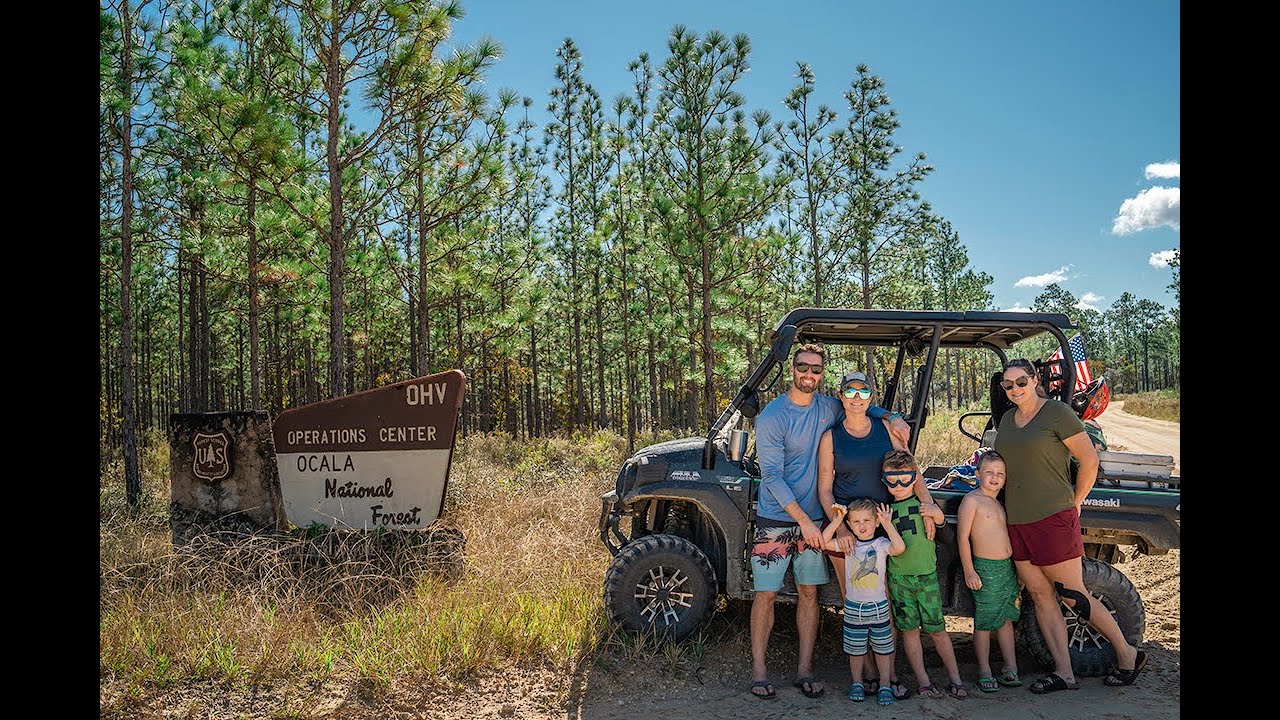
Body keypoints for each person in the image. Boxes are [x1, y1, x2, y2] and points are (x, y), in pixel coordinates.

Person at [749, 343, 910, 701]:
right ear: (792, 369)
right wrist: (805, 521)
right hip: (777, 519)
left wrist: (893, 415)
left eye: (816, 370)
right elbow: (772, 477)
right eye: (803, 367)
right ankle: (760, 673)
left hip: (818, 521)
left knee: (810, 593)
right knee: (766, 593)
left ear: (822, 375)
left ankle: (805, 671)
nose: (809, 375)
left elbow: (860, 404)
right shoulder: (773, 416)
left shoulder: (827, 406)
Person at [993, 358, 1147, 693]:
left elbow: (1089, 460)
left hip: (1053, 517)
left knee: (1073, 595)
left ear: (1035, 380)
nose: (1015, 389)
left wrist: (1076, 501)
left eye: (1021, 382)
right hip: (1018, 519)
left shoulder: (1057, 413)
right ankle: (1064, 673)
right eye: (1008, 385)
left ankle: (1127, 653)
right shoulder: (1007, 419)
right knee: (1040, 595)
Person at [815, 370, 936, 701]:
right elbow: (825, 489)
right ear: (841, 397)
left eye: (863, 391)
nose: (856, 397)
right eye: (849, 392)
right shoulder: (831, 437)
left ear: (871, 396)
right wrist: (840, 527)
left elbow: (910, 469)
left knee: (885, 598)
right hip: (850, 532)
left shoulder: (885, 428)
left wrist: (928, 506)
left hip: (885, 528)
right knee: (852, 597)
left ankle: (889, 674)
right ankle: (866, 674)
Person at [881, 449, 968, 700]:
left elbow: (947, 540)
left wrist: (939, 519)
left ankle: (956, 679)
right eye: (892, 480)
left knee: (938, 630)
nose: (899, 485)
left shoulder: (925, 506)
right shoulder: (884, 512)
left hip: (927, 578)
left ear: (915, 479)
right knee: (909, 632)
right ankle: (924, 681)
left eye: (906, 479)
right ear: (884, 481)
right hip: (899, 580)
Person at [817, 498, 905, 706]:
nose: (862, 526)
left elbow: (899, 547)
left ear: (876, 522)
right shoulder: (849, 545)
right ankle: (857, 682)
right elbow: (823, 541)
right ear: (850, 524)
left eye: (867, 520)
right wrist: (838, 521)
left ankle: (884, 683)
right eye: (855, 521)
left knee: (883, 649)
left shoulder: (881, 544)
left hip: (879, 607)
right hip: (854, 607)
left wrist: (887, 523)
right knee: (856, 649)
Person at [956, 449, 1021, 693]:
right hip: (984, 568)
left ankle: (1010, 667)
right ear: (977, 474)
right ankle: (984, 669)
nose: (994, 478)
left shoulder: (1001, 504)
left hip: (1006, 569)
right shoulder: (972, 500)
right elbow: (963, 538)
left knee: (1006, 619)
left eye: (1000, 474)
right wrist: (970, 571)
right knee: (984, 621)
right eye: (989, 472)